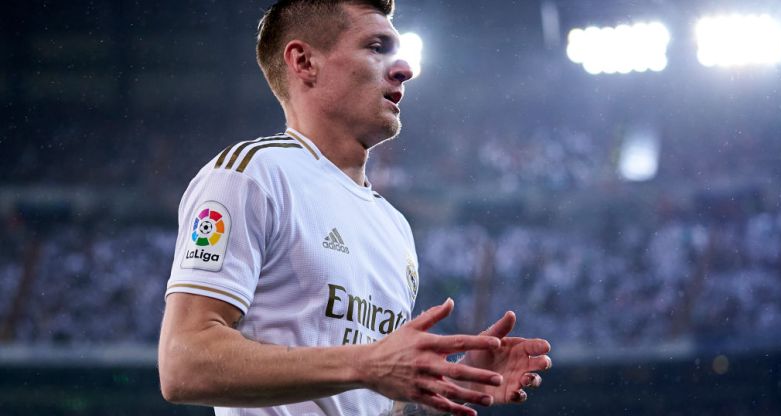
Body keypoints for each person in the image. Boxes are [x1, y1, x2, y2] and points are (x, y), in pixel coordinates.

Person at [157, 1, 552, 415]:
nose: (404, 69)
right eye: (376, 47)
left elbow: (373, 397)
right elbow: (184, 363)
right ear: (305, 62)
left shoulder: (393, 225)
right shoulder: (250, 176)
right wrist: (366, 364)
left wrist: (442, 392)